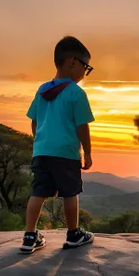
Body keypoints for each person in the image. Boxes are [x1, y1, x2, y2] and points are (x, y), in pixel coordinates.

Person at [20, 35, 95, 254]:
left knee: (39, 192)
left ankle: (29, 237)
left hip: (41, 151)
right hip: (66, 153)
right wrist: (87, 152)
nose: (85, 72)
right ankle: (73, 234)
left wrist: (40, 142)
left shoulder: (42, 90)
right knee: (70, 193)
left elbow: (34, 121)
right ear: (73, 62)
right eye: (86, 66)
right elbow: (82, 126)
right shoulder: (76, 93)